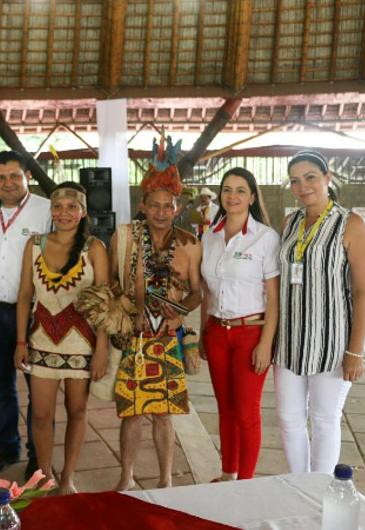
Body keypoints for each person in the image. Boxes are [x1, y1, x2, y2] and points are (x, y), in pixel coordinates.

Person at [274, 151, 365, 473]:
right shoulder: (290, 223)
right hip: (289, 341)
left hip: (332, 342)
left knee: (324, 420)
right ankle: (298, 484)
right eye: (294, 180)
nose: (302, 186)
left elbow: (363, 291)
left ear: (328, 178)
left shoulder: (351, 224)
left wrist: (355, 351)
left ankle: (319, 493)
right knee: (289, 419)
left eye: (310, 177)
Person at [111, 136, 202, 491]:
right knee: (131, 413)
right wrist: (125, 308)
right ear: (143, 206)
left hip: (167, 338)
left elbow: (197, 292)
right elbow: (112, 285)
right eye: (154, 205)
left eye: (168, 206)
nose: (161, 212)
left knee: (163, 415)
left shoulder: (190, 244)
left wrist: (178, 313)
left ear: (177, 208)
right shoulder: (125, 237)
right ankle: (126, 476)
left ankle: (165, 479)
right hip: (133, 336)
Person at [14, 182, 109, 495]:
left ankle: (67, 477)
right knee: (40, 414)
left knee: (77, 410)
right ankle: (44, 475)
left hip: (82, 343)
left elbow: (106, 301)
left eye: (72, 207)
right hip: (40, 340)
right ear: (50, 210)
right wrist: (20, 342)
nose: (64, 213)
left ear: (83, 212)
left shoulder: (94, 248)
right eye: (58, 207)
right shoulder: (35, 244)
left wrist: (101, 351)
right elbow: (25, 295)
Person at [0, 151, 52, 477]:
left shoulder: (45, 210)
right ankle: (7, 447)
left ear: (27, 176)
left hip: (35, 314)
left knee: (38, 387)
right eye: (1, 178)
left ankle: (37, 453)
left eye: (15, 176)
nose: (8, 183)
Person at [199, 168, 280, 482]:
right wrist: (204, 330)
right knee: (225, 409)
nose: (232, 196)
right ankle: (228, 474)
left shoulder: (265, 237)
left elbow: (273, 298)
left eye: (241, 190)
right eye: (227, 189)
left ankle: (246, 484)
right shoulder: (210, 235)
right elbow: (206, 290)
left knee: (247, 413)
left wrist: (265, 343)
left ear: (252, 197)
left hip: (250, 333)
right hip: (217, 332)